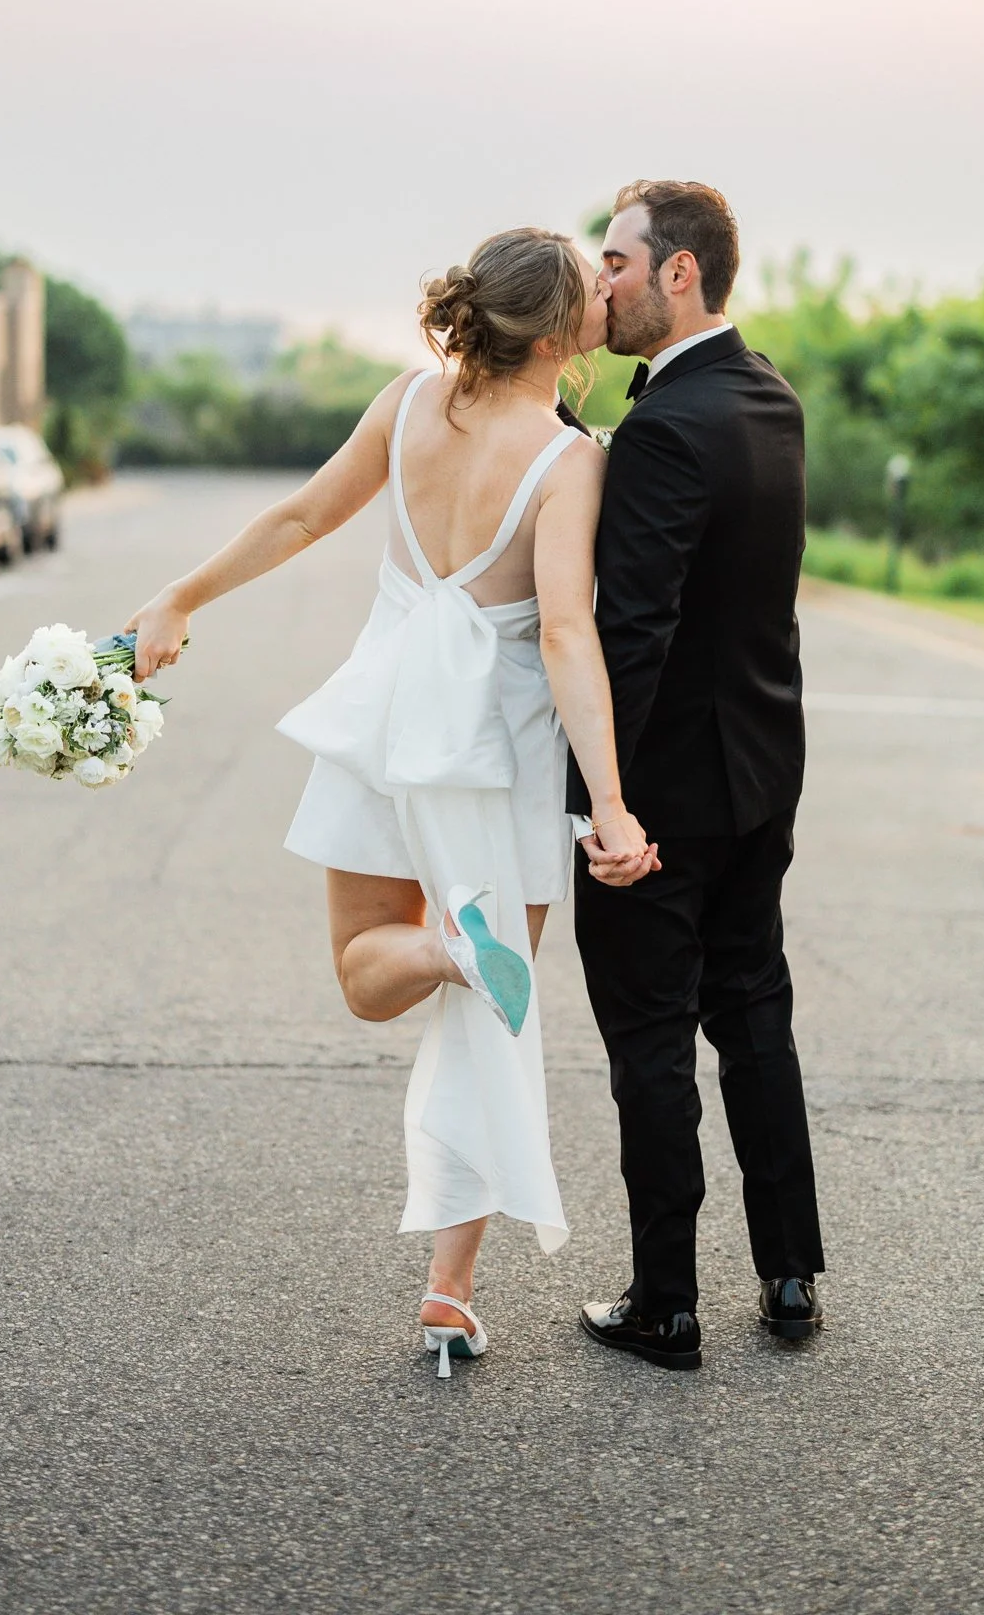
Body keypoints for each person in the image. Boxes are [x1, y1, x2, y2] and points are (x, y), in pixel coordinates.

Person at [127, 228, 656, 1379]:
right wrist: (608, 802)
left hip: (382, 725)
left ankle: (435, 946)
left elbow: (303, 517)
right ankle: (449, 1292)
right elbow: (566, 632)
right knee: (488, 1028)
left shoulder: (409, 403)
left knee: (370, 965)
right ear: (564, 332)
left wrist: (180, 595)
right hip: (498, 758)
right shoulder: (573, 461)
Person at [570, 180, 826, 1372]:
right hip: (764, 772)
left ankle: (665, 1299)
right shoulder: (770, 396)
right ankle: (788, 1274)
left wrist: (600, 796)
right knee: (754, 1008)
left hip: (667, 789)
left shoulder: (670, 423)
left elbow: (635, 627)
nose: (602, 279)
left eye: (616, 259)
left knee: (651, 1034)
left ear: (680, 273)